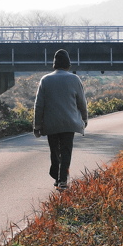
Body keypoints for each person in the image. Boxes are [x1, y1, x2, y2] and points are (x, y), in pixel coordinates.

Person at [33, 49, 88, 190]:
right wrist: (84, 118)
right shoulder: (74, 79)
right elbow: (82, 102)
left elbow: (39, 105)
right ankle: (62, 179)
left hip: (51, 123)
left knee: (54, 151)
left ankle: (56, 176)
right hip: (69, 123)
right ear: (68, 64)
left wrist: (37, 125)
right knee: (66, 151)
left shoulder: (45, 80)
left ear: (54, 64)